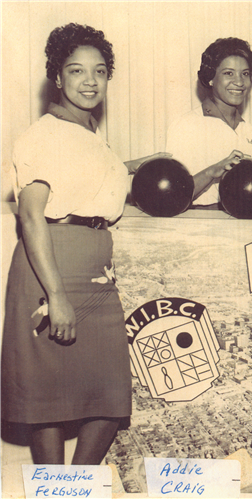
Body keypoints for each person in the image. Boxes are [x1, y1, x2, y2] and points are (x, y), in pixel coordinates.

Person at [1, 23, 157, 465]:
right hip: (52, 268)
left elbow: (89, 182)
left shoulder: (91, 136)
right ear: (57, 77)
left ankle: (75, 486)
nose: (90, 81)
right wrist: (56, 296)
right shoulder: (43, 134)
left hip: (96, 271)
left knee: (110, 397)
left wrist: (146, 161)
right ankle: (57, 490)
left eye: (100, 71)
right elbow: (32, 215)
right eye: (76, 71)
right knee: (48, 398)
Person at [165, 38, 252, 208]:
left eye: (245, 74)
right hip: (200, 222)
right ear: (210, 79)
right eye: (228, 73)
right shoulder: (186, 125)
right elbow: (171, 195)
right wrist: (212, 172)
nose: (239, 82)